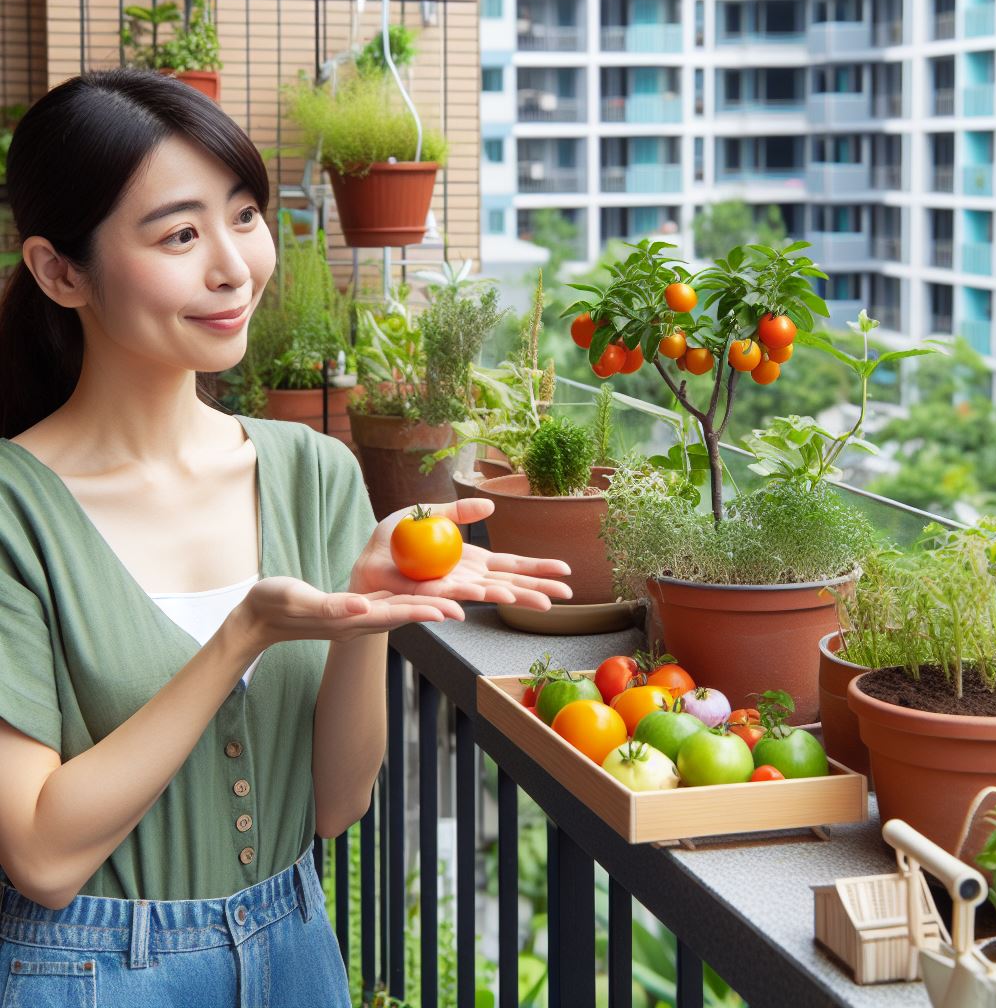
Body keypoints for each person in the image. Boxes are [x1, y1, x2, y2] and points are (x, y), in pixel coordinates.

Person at [0, 68, 572, 1007]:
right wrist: (245, 634)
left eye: (245, 216)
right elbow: (41, 855)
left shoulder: (314, 470)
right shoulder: (16, 510)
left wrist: (365, 609)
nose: (234, 266)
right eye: (181, 235)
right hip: (89, 973)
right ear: (62, 272)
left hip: (295, 947)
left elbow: (335, 805)